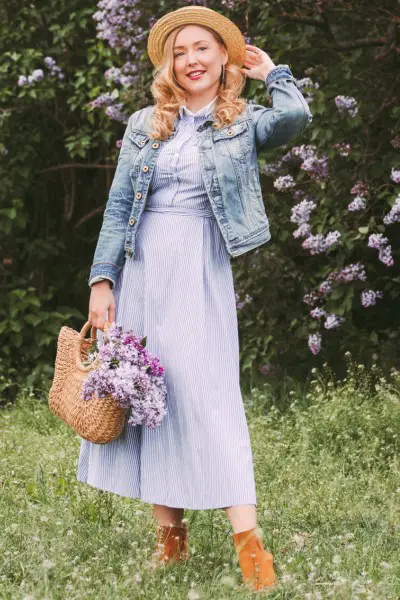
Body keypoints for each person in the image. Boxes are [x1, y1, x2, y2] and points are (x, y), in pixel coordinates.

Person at [78, 5, 312, 592]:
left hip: (199, 268)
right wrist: (101, 281)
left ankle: (251, 549)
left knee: (209, 396)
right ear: (167, 64)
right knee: (148, 391)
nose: (191, 61)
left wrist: (274, 74)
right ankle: (171, 544)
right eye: (179, 52)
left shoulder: (241, 120)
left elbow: (297, 119)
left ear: (223, 57)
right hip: (142, 268)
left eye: (202, 49)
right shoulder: (144, 124)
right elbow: (115, 206)